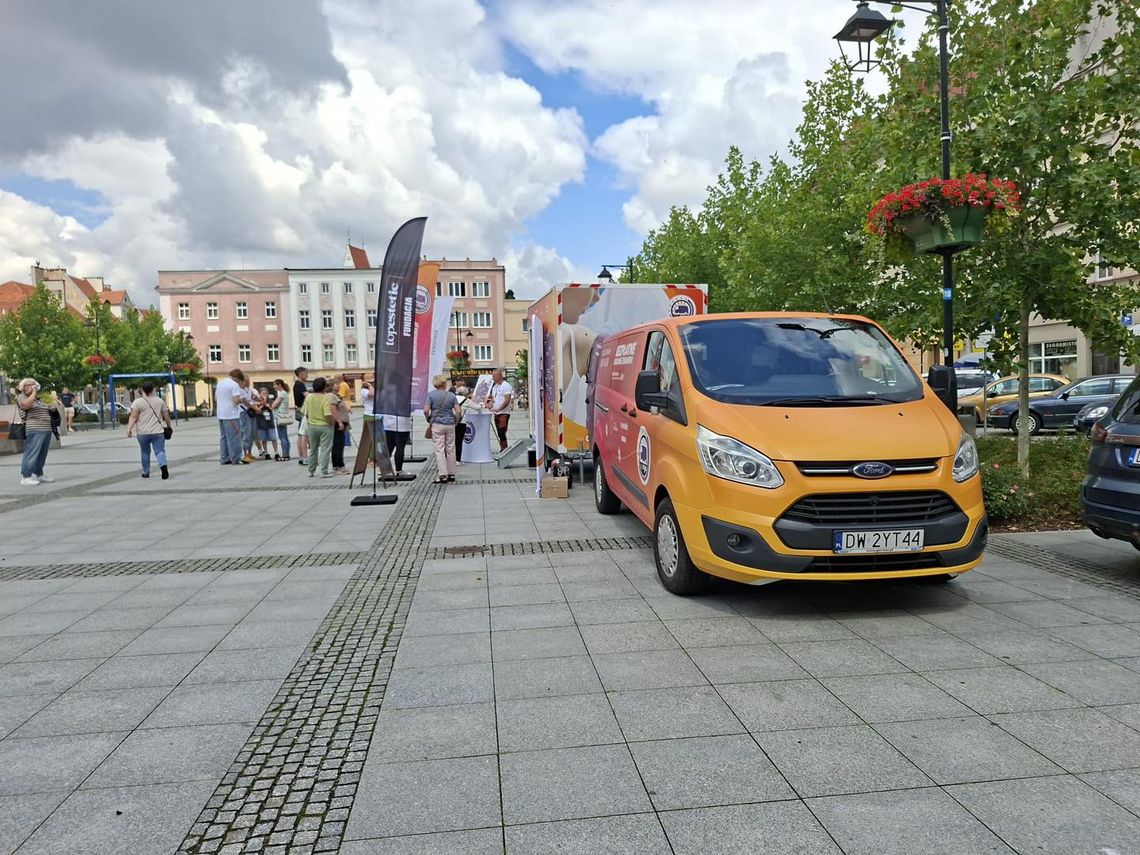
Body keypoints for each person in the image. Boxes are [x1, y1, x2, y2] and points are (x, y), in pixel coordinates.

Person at [126, 381, 172, 480]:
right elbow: (166, 415)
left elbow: (133, 416)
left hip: (143, 433)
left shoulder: (137, 402)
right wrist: (169, 425)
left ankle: (146, 472)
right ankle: (163, 466)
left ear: (142, 390)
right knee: (160, 451)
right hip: (158, 432)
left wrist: (129, 428)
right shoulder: (160, 401)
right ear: (153, 389)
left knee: (145, 452)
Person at [15, 378, 55, 486]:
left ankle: (39, 474)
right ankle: (26, 477)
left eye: (35, 385)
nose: (34, 387)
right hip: (34, 429)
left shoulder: (37, 399)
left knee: (42, 454)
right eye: (31, 385)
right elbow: (26, 405)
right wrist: (33, 393)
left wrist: (51, 408)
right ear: (24, 387)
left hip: (45, 429)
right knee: (31, 453)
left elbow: (43, 409)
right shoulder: (21, 397)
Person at [424, 374, 460, 483]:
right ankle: (452, 473)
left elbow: (426, 410)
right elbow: (458, 411)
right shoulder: (451, 396)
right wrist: (456, 421)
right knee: (451, 448)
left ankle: (443, 474)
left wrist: (428, 418)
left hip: (437, 424)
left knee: (439, 449)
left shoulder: (431, 395)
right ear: (444, 383)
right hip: (450, 424)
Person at [301, 376, 335, 477]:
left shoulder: (309, 397)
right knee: (325, 449)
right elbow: (327, 414)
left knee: (313, 448)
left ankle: (311, 471)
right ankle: (324, 471)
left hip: (312, 426)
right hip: (325, 426)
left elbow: (303, 411)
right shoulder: (325, 398)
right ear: (324, 387)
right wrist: (331, 422)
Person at [216, 369, 246, 465]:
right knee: (235, 437)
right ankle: (236, 458)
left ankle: (224, 458)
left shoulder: (220, 383)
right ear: (238, 378)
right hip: (231, 415)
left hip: (221, 414)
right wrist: (242, 400)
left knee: (224, 437)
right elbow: (236, 400)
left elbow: (216, 398)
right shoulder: (234, 385)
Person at [485, 368, 514, 451]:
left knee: (502, 432)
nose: (492, 378)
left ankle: (505, 449)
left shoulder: (506, 385)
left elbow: (507, 401)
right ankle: (502, 449)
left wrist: (499, 409)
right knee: (499, 433)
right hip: (496, 413)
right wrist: (489, 405)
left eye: (494, 376)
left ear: (499, 376)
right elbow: (493, 399)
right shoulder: (495, 387)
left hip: (504, 413)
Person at [328, 381, 351, 475]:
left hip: (341, 422)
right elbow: (333, 409)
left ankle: (337, 465)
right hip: (338, 423)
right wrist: (340, 422)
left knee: (339, 444)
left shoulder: (336, 395)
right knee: (338, 444)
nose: (338, 385)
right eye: (336, 384)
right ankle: (339, 466)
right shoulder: (331, 396)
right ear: (332, 386)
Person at [272, 379, 293, 460]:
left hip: (280, 417)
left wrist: (272, 404)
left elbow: (274, 405)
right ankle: (287, 453)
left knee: (282, 437)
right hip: (283, 416)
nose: (274, 387)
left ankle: (285, 455)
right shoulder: (284, 393)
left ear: (279, 385)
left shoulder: (282, 393)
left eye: (275, 385)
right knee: (285, 436)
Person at [255, 386, 279, 459]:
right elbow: (257, 411)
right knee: (263, 439)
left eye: (266, 393)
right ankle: (266, 453)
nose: (264, 395)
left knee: (273, 438)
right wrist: (262, 405)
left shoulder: (270, 400)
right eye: (263, 393)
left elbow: (272, 408)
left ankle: (276, 452)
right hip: (261, 424)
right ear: (259, 394)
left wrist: (267, 405)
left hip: (270, 423)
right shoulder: (257, 401)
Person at [293, 367, 310, 465]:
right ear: (300, 374)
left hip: (299, 410)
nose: (307, 375)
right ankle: (304, 457)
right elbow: (308, 396)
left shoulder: (297, 384)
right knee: (303, 435)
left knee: (301, 434)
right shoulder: (299, 385)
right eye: (306, 373)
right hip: (302, 411)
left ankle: (301, 456)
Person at [454, 384, 471, 463]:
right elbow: (477, 407)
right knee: (459, 441)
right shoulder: (466, 400)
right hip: (462, 422)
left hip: (452, 422)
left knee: (450, 441)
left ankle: (449, 459)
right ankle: (458, 459)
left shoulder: (453, 398)